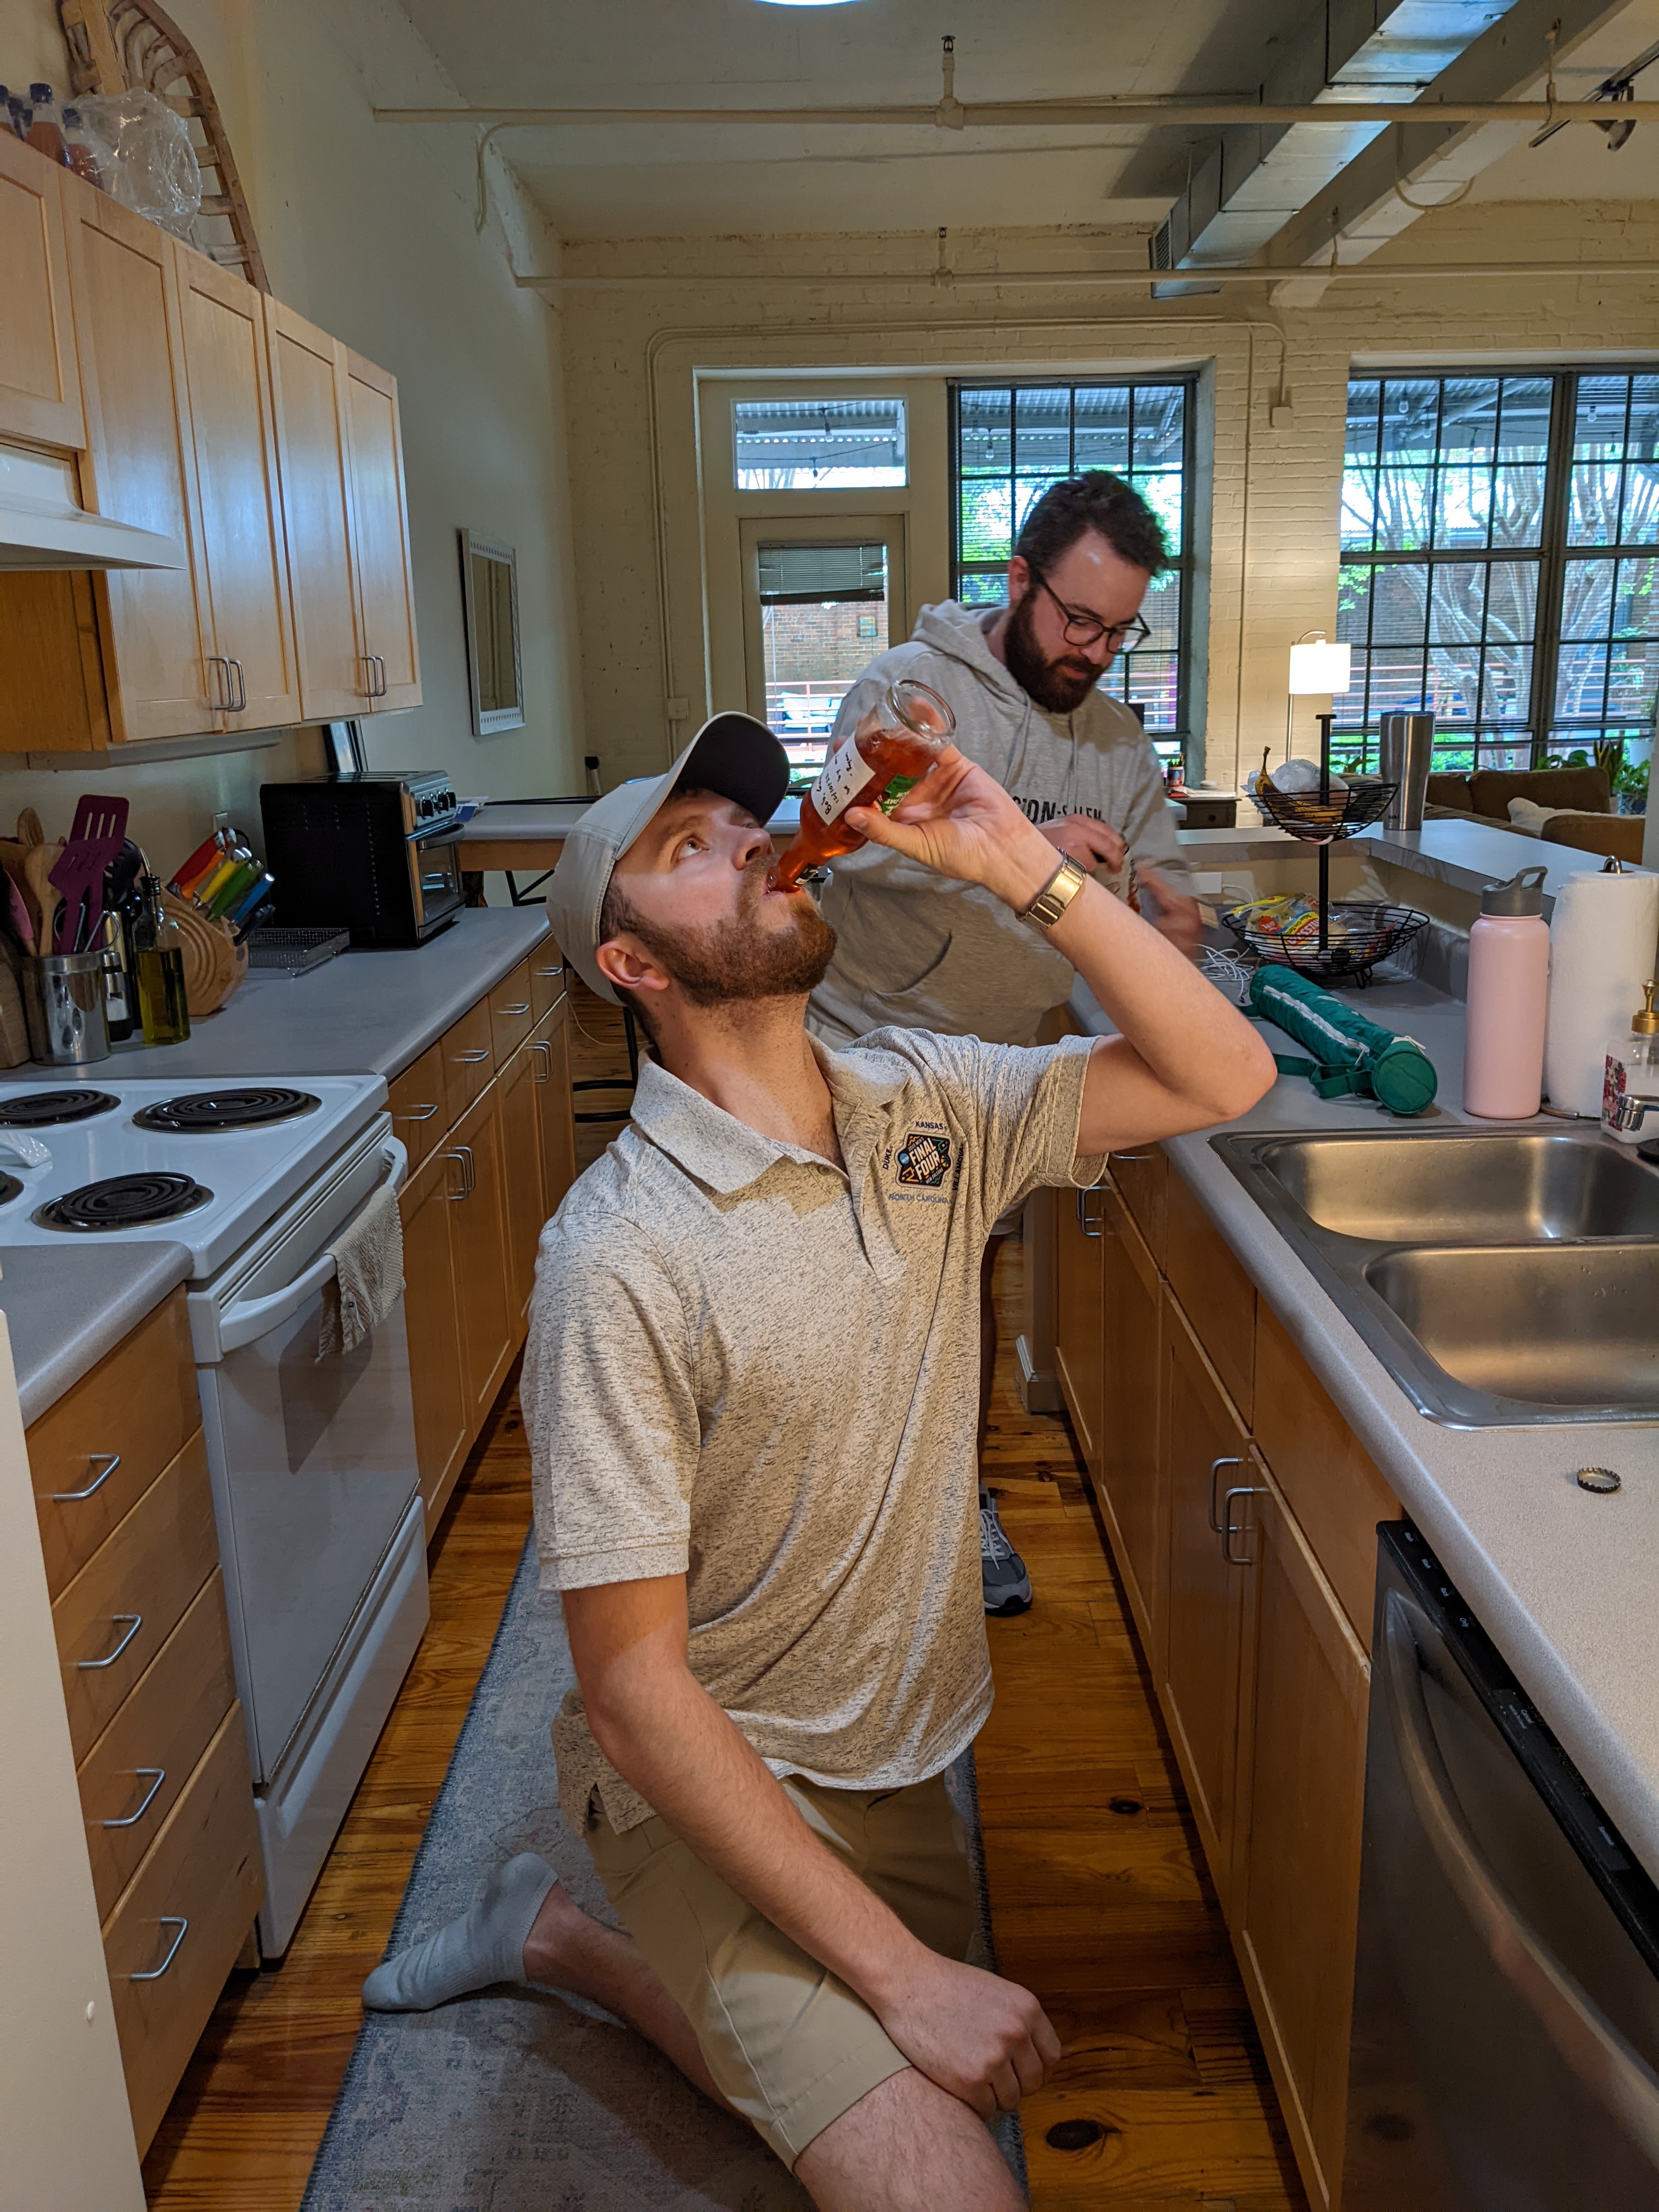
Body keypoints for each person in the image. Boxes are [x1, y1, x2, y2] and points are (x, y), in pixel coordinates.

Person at [361, 711, 1274, 2212]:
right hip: (710, 1791)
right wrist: (905, 1978)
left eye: (747, 824)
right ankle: (616, 1924)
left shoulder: (930, 1102)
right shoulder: (617, 1258)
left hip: (906, 1764)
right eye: (690, 847)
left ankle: (556, 1942)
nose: (752, 847)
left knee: (845, 2092)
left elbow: (1225, 1074)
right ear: (632, 964)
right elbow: (632, 1697)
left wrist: (1024, 866)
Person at [806, 470, 1205, 1613]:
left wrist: (1173, 913)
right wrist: (1022, 849)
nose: (1095, 652)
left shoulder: (1118, 742)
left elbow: (1160, 872)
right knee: (846, 1298)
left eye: (1119, 631)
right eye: (1078, 620)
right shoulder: (912, 690)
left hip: (996, 1073)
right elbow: (836, 832)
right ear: (1020, 580)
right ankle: (827, 1533)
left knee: (959, 1291)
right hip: (861, 1041)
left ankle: (953, 1503)